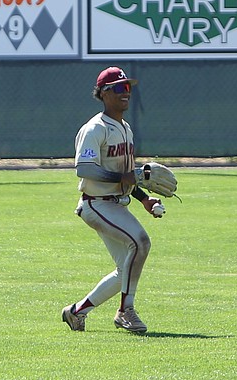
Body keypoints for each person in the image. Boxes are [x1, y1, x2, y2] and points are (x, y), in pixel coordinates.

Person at [61, 66, 165, 334]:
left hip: (115, 202)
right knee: (140, 243)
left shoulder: (125, 128)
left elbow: (127, 176)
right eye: (119, 88)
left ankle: (76, 312)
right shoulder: (94, 129)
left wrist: (143, 199)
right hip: (96, 203)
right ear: (104, 94)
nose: (125, 93)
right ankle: (125, 311)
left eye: (128, 88)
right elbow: (84, 168)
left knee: (124, 271)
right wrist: (125, 178)